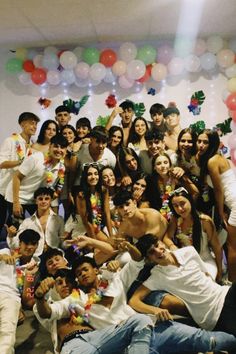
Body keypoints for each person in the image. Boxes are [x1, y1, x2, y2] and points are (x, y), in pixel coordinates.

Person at [35, 242, 236, 354]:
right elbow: (49, 312)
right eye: (78, 274)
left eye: (85, 270)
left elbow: (138, 261)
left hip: (154, 328)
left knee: (211, 340)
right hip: (128, 345)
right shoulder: (75, 301)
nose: (82, 275)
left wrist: (128, 247)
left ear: (96, 270)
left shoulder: (115, 280)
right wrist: (40, 298)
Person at [131, 234, 236, 336]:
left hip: (224, 293)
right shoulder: (157, 276)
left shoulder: (189, 252)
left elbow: (206, 274)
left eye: (158, 245)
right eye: (152, 252)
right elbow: (134, 301)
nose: (158, 251)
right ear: (149, 259)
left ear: (162, 243)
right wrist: (155, 310)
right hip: (212, 315)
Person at [197, 129, 236, 281]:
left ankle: (231, 284)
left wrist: (220, 212)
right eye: (199, 141)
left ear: (212, 143)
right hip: (232, 202)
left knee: (232, 247)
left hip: (233, 202)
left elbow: (219, 191)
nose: (201, 145)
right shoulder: (216, 158)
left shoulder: (212, 161)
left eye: (205, 142)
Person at [163, 187, 222, 281]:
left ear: (190, 201)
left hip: (204, 261)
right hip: (184, 260)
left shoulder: (204, 220)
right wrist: (172, 246)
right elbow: (166, 238)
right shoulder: (175, 219)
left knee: (202, 282)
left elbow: (217, 248)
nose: (180, 208)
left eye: (182, 203)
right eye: (175, 206)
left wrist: (220, 270)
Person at [5, 134, 68, 221]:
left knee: (39, 227)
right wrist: (16, 202)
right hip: (17, 197)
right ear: (50, 147)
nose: (59, 150)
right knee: (16, 229)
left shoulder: (61, 168)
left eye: (62, 148)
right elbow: (16, 177)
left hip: (34, 200)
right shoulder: (37, 158)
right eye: (56, 146)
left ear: (66, 150)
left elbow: (50, 188)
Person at [0, 229, 40, 353]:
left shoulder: (35, 267)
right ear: (20, 243)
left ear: (37, 246)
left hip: (12, 298)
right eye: (26, 243)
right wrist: (1, 257)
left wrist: (28, 277)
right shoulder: (6, 251)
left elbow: (28, 301)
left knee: (7, 335)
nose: (29, 247)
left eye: (33, 243)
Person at [0, 112, 40, 233]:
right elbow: (1, 163)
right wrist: (21, 162)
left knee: (18, 224)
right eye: (31, 123)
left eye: (36, 124)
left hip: (22, 192)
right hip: (5, 189)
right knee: (2, 221)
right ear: (22, 124)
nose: (34, 127)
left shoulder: (34, 145)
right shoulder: (11, 141)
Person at [7, 187, 64, 256]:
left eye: (46, 199)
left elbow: (63, 243)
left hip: (55, 257)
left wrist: (72, 244)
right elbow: (15, 245)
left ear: (51, 200)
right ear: (36, 201)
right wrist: (10, 236)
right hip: (35, 259)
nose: (43, 201)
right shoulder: (27, 222)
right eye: (40, 199)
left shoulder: (59, 220)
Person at [145, 153, 199, 220]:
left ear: (170, 164)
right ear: (154, 167)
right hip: (161, 217)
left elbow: (195, 192)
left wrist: (188, 209)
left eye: (165, 162)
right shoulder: (151, 181)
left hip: (179, 215)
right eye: (159, 163)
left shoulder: (177, 176)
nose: (163, 166)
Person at [69, 126, 116, 195]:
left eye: (104, 142)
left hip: (99, 193)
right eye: (98, 141)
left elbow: (110, 179)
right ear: (91, 139)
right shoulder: (81, 150)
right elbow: (72, 172)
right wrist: (69, 191)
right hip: (79, 190)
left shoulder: (111, 157)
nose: (101, 146)